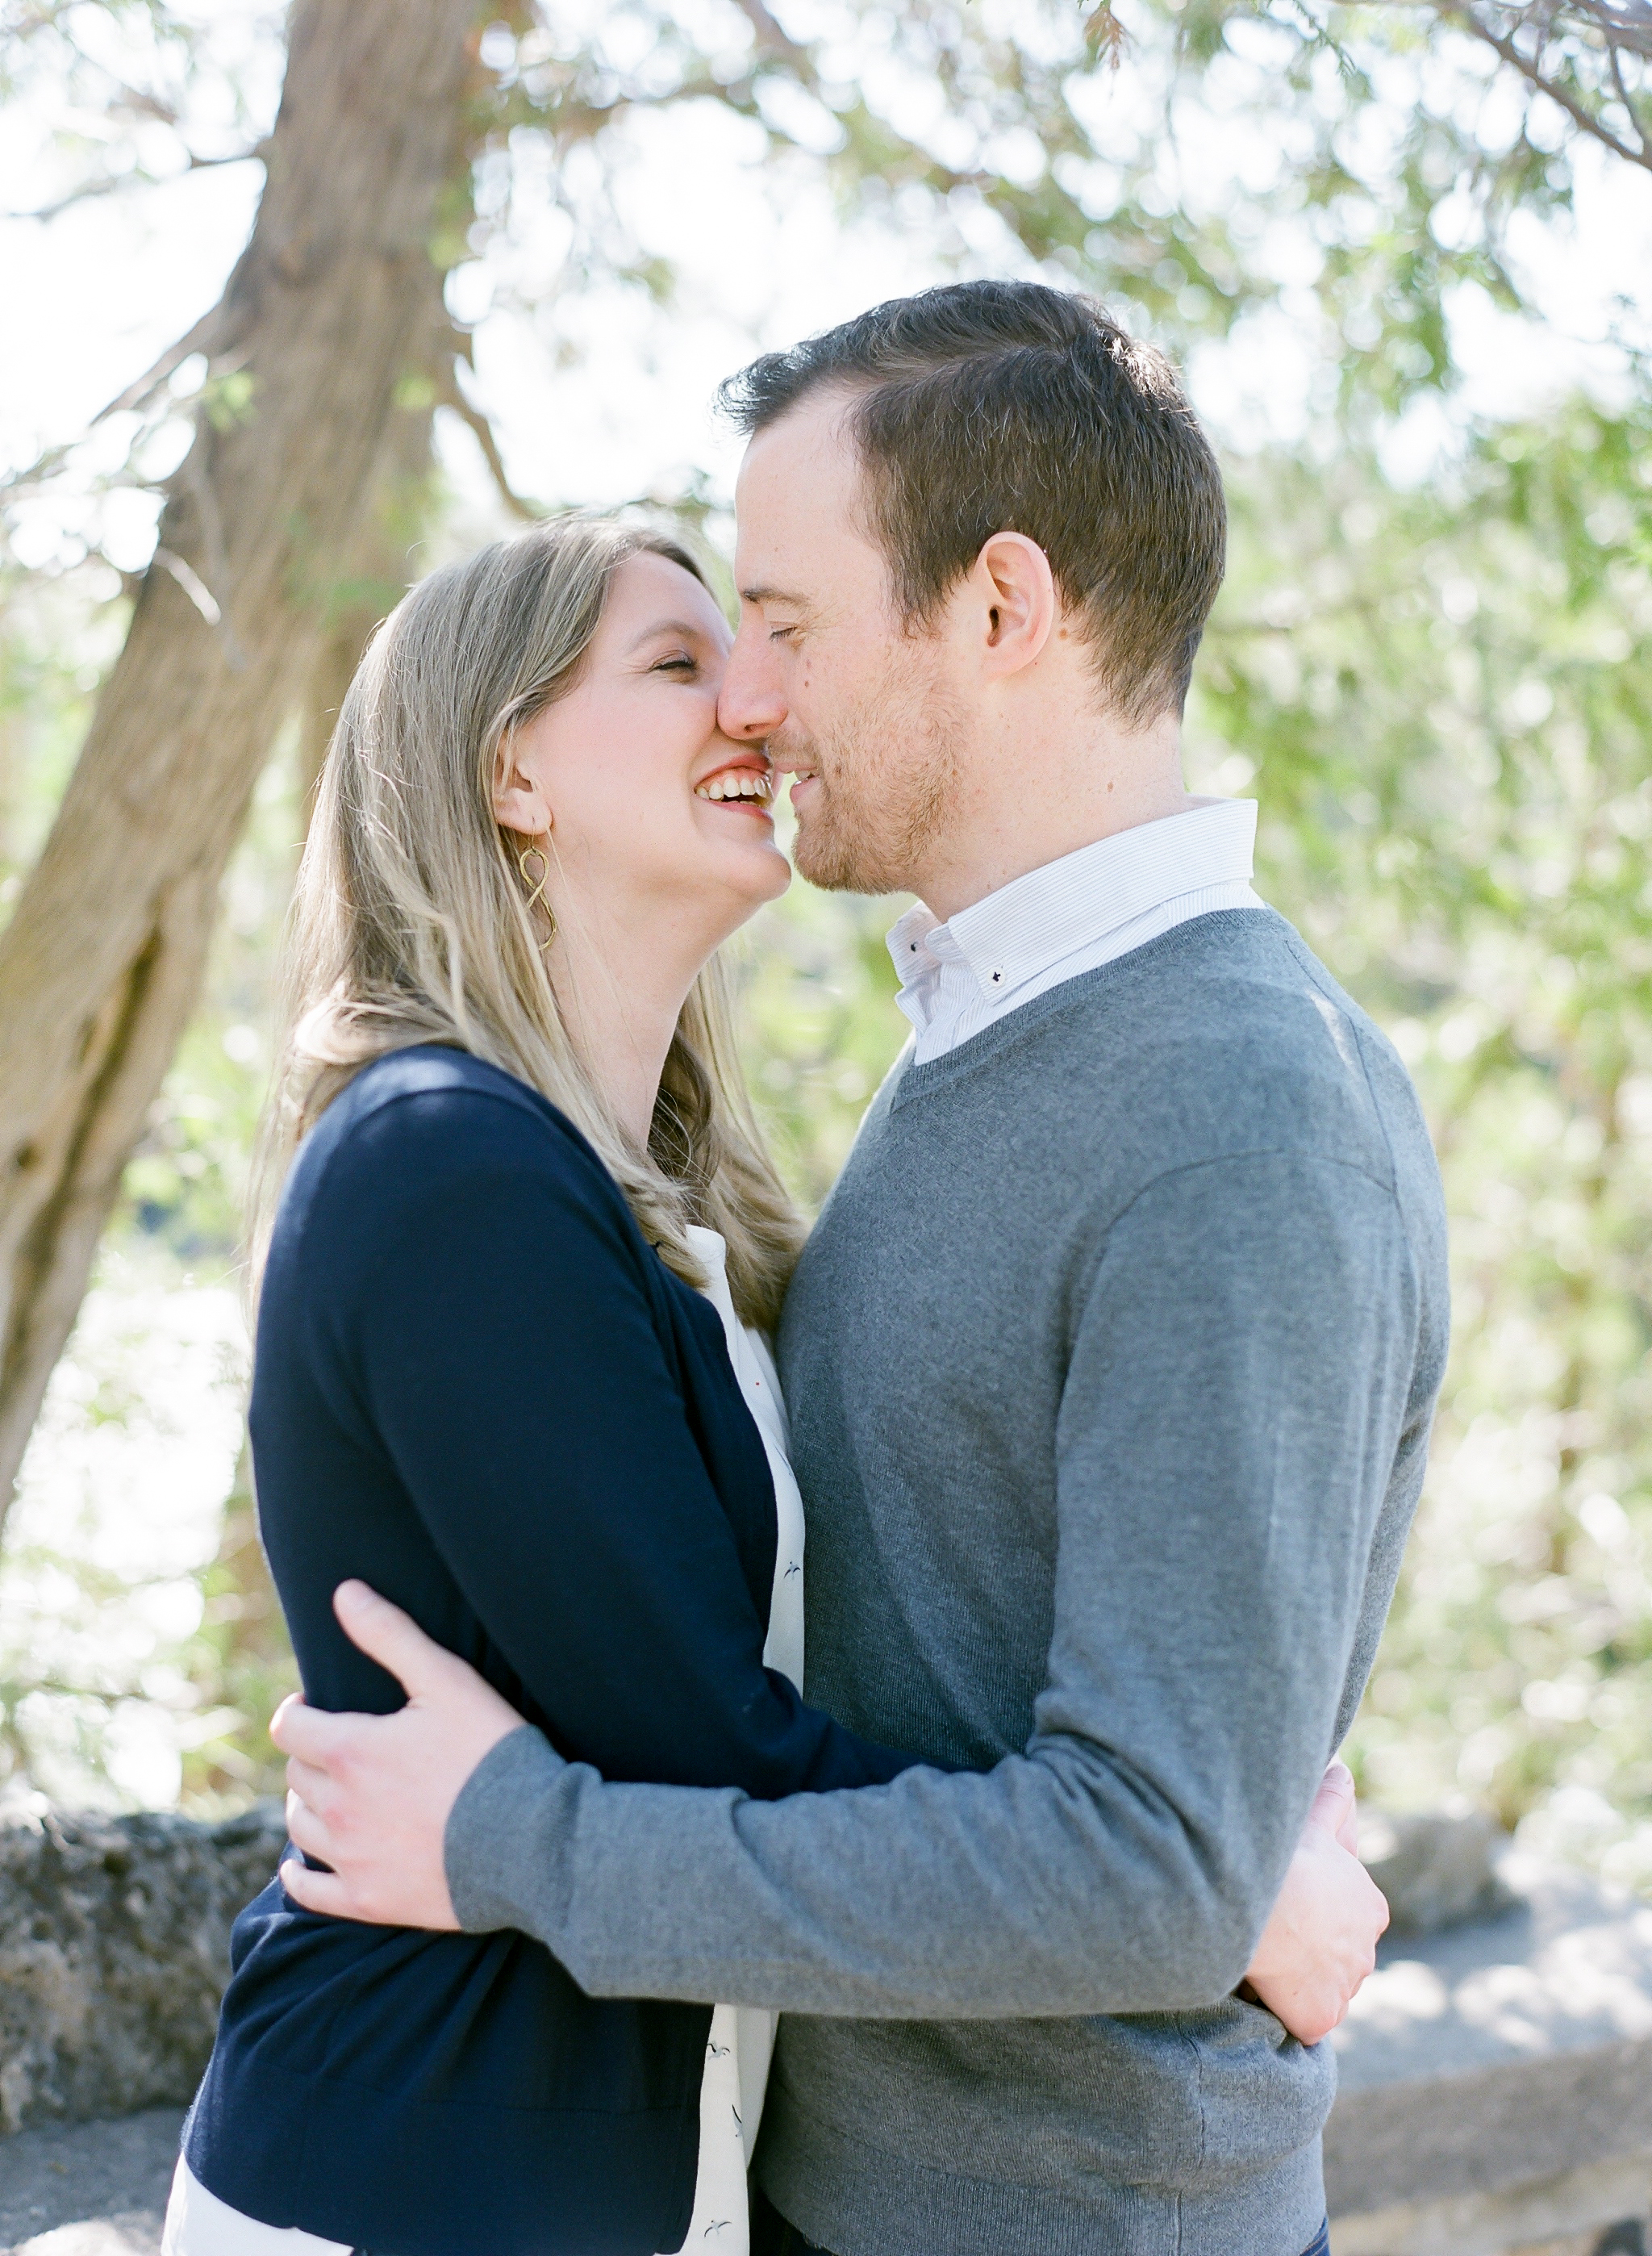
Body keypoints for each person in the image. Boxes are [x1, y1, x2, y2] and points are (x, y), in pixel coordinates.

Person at [275, 282, 1449, 2256]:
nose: (752, 693)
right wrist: (1232, 1864)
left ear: (997, 612)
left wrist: (519, 1844)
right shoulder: (975, 1041)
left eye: (788, 623)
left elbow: (1153, 1846)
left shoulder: (1240, 1108)